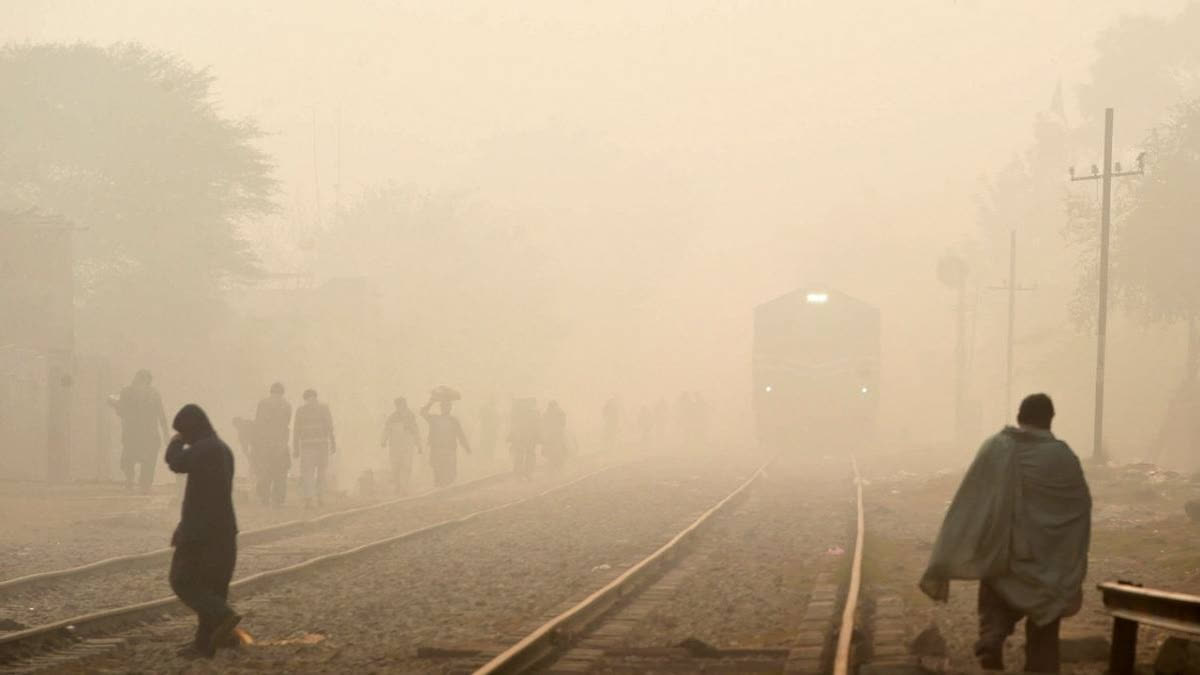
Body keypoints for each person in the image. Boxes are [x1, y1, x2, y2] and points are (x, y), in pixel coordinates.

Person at [919, 393, 1091, 673]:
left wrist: (961, 546)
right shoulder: (1064, 456)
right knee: (1045, 623)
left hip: (1010, 553)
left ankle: (992, 637)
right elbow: (1080, 508)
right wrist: (1069, 552)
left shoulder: (999, 448)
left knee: (996, 592)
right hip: (1053, 563)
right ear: (1050, 421)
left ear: (1020, 417)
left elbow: (972, 500)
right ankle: (1041, 666)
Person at [164, 404, 240, 659]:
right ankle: (205, 644)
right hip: (225, 530)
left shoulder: (203, 449)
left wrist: (175, 442)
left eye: (183, 432)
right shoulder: (224, 450)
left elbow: (175, 463)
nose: (183, 437)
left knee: (183, 580)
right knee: (213, 587)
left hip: (199, 531)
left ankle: (223, 616)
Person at [108, 369, 170, 493]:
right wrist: (165, 434)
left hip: (136, 433)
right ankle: (141, 484)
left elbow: (120, 409)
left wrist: (114, 404)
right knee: (142, 460)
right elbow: (161, 416)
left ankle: (136, 482)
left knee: (132, 459)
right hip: (145, 434)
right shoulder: (151, 394)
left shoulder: (129, 392)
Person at [293, 389, 335, 508]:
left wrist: (296, 448)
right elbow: (330, 427)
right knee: (321, 473)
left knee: (308, 474)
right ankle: (320, 498)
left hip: (307, 447)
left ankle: (309, 499)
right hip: (322, 446)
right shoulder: (324, 408)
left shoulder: (301, 410)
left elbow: (296, 430)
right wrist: (333, 443)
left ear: (305, 398)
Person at [421, 388, 471, 487]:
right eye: (444, 406)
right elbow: (423, 413)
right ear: (441, 408)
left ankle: (443, 491)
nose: (446, 408)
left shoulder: (452, 421)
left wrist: (466, 447)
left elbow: (460, 435)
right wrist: (431, 402)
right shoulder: (435, 419)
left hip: (449, 450)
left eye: (448, 406)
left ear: (450, 408)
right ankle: (440, 492)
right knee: (439, 473)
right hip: (438, 449)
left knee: (450, 474)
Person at [254, 383, 292, 507]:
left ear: (271, 392)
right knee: (280, 472)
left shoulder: (263, 403)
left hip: (265, 443)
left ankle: (264, 498)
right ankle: (279, 500)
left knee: (265, 471)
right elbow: (287, 422)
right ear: (282, 392)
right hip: (280, 443)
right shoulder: (287, 405)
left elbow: (258, 423)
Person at [380, 397, 422, 495]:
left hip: (407, 446)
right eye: (399, 405)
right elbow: (387, 429)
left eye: (403, 405)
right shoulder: (392, 417)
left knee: (407, 466)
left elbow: (416, 431)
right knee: (395, 467)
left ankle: (404, 488)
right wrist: (383, 440)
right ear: (397, 406)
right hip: (395, 446)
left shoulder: (410, 417)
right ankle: (398, 486)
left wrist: (419, 445)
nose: (401, 407)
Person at [508, 398, 541, 479]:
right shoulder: (534, 413)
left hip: (521, 437)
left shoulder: (519, 412)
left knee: (520, 454)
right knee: (529, 454)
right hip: (530, 437)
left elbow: (514, 425)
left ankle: (518, 473)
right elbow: (538, 426)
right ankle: (528, 473)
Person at [542, 400, 568, 472]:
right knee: (559, 449)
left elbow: (543, 424)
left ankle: (552, 465)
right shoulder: (560, 412)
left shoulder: (546, 414)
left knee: (551, 450)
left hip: (550, 435)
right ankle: (559, 466)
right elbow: (563, 423)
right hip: (558, 434)